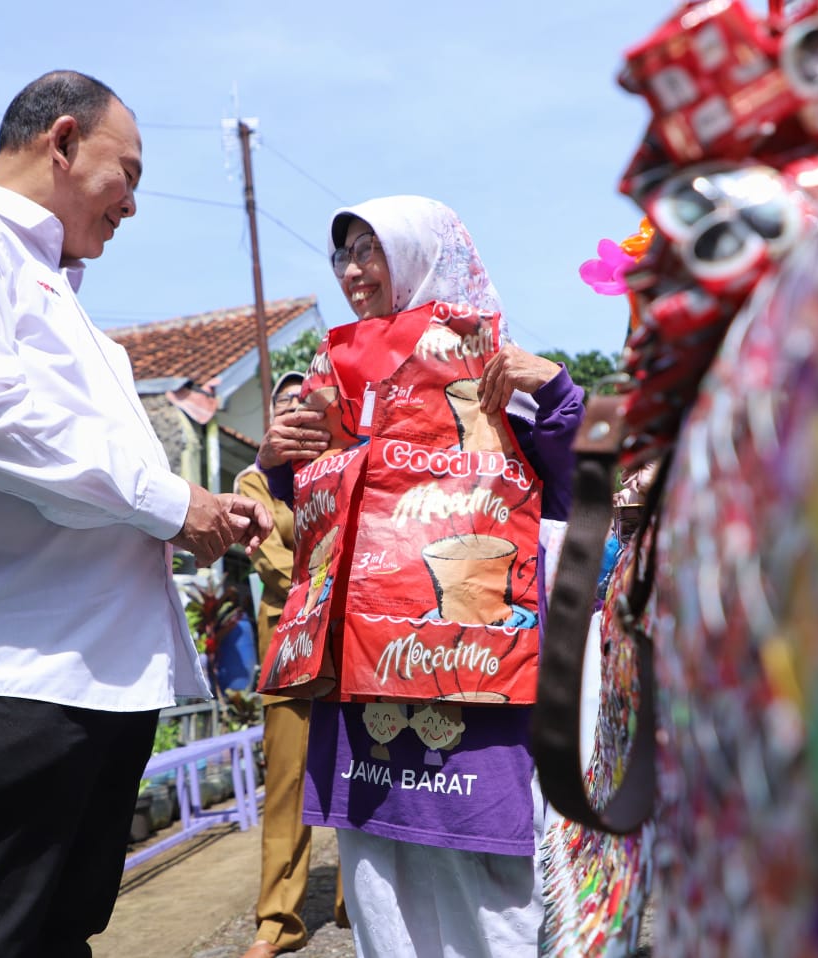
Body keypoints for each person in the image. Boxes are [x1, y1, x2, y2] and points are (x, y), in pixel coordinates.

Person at [0, 70, 272, 957]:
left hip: (89, 683)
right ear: (63, 141)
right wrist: (169, 501)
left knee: (53, 938)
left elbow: (92, 478)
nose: (132, 205)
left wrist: (198, 512)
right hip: (9, 676)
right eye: (129, 174)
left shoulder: (65, 304)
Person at [256, 195, 584, 957]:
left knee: (489, 888)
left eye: (370, 249)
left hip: (479, 692)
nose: (352, 271)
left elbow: (582, 491)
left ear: (420, 257)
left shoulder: (496, 375)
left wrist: (559, 391)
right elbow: (318, 524)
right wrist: (278, 465)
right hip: (363, 683)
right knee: (380, 882)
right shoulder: (334, 383)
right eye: (343, 254)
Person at [234, 370, 348, 958]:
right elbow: (273, 563)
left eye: (307, 405)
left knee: (360, 769)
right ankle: (277, 920)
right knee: (286, 784)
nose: (297, 413)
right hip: (290, 646)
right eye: (286, 406)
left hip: (350, 643)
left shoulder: (343, 466)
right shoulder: (255, 480)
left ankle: (357, 902)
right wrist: (330, 590)